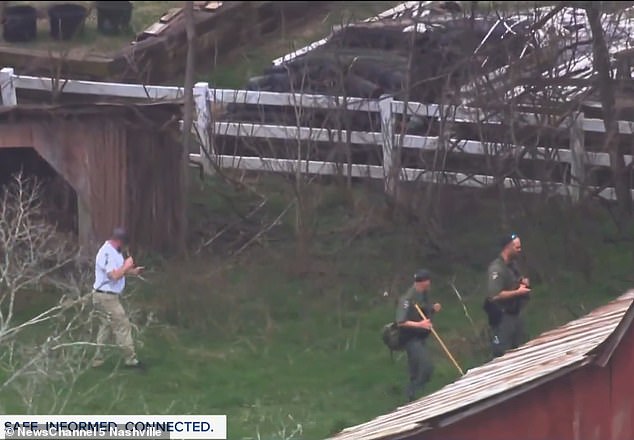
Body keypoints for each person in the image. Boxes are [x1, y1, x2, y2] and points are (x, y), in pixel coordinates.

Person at [91, 227, 145, 369]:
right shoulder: (106, 253)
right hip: (106, 297)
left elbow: (119, 272)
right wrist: (127, 265)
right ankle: (131, 360)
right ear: (119, 241)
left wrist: (132, 271)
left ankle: (98, 359)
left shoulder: (115, 252)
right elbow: (113, 276)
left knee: (106, 326)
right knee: (122, 325)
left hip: (105, 295)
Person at [395, 269, 442, 402]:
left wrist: (433, 309)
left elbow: (423, 309)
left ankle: (412, 396)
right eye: (428, 280)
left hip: (421, 338)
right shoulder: (407, 299)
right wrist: (420, 324)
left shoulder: (424, 295)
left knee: (415, 370)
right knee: (426, 367)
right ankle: (413, 391)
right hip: (411, 339)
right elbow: (401, 322)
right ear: (424, 282)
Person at [485, 233, 531, 358]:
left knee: (521, 350)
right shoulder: (497, 269)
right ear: (508, 247)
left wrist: (522, 283)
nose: (519, 250)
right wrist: (518, 292)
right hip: (503, 318)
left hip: (516, 315)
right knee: (503, 354)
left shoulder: (512, 266)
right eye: (517, 248)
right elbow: (495, 295)